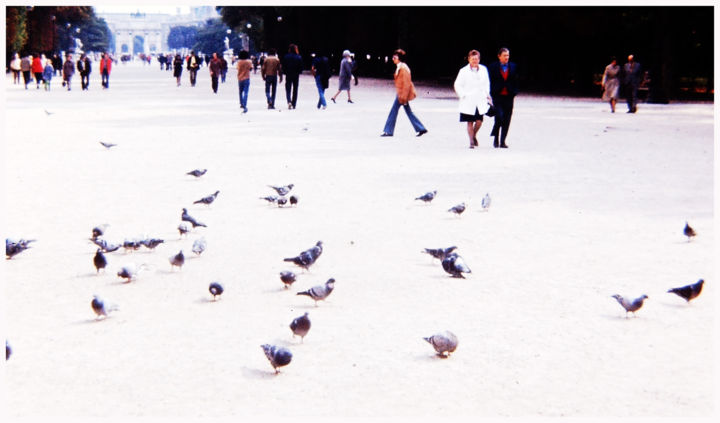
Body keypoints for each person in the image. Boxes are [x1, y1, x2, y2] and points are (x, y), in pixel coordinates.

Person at [380, 49, 428, 138]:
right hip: (401, 93)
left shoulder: (403, 68)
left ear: (399, 58)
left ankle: (388, 131)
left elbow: (406, 84)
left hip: (402, 94)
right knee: (408, 112)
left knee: (393, 111)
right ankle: (420, 128)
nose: (393, 58)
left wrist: (404, 98)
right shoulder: (401, 67)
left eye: (395, 57)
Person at [454, 49, 491, 149]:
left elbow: (487, 83)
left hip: (480, 99)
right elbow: (457, 84)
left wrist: (487, 94)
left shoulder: (484, 69)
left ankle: (474, 135)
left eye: (476, 59)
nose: (475, 61)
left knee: (479, 121)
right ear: (469, 59)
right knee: (469, 121)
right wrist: (463, 95)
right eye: (472, 59)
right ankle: (471, 141)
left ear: (479, 59)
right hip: (468, 100)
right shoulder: (463, 71)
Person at [488, 47, 518, 148]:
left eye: (508, 55)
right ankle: (495, 138)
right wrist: (491, 92)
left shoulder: (513, 66)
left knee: (507, 119)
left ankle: (503, 141)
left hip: (509, 96)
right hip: (497, 95)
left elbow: (516, 80)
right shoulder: (493, 67)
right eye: (504, 55)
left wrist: (514, 92)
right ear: (499, 56)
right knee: (499, 117)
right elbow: (490, 80)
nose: (507, 57)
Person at [282, 44, 303, 109]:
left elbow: (284, 66)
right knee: (295, 89)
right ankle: (294, 103)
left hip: (288, 74)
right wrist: (299, 72)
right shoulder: (299, 57)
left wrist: (284, 72)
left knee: (288, 88)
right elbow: (301, 67)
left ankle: (289, 101)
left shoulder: (286, 56)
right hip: (296, 75)